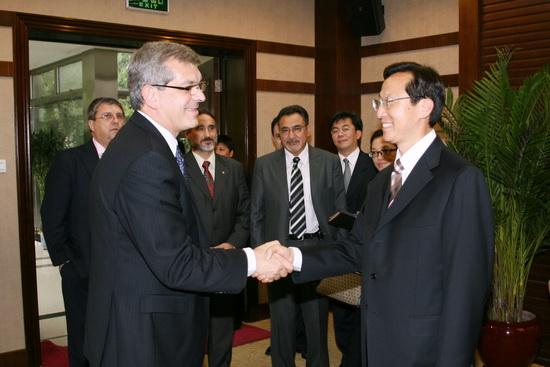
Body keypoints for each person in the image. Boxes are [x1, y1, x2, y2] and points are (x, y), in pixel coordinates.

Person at [267, 62, 494, 366]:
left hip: (424, 350)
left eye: (389, 101)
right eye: (379, 102)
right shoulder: (380, 184)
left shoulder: (459, 179)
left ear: (424, 106)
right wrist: (292, 257)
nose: (380, 112)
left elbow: (465, 292)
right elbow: (355, 249)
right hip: (375, 341)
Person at [83, 41, 290, 367]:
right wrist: (251, 260)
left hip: (145, 324)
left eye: (200, 85)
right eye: (189, 87)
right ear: (151, 94)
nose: (201, 96)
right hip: (143, 337)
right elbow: (175, 263)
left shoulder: (149, 144)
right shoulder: (146, 157)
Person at [250, 104, 346, 367]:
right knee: (281, 325)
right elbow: (256, 214)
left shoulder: (328, 162)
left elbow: (339, 211)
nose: (291, 135)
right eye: (285, 130)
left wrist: (337, 252)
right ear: (278, 134)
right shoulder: (264, 165)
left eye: (297, 128)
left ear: (308, 130)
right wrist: (260, 256)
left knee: (316, 325)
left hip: (316, 250)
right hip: (279, 251)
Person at [40, 97, 125, 367]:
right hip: (82, 269)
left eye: (120, 116)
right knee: (83, 340)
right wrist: (65, 261)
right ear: (91, 124)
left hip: (124, 269)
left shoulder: (131, 161)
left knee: (120, 338)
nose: (115, 121)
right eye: (107, 116)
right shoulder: (71, 161)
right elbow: (52, 215)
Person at [184, 110, 250, 367]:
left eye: (212, 127)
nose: (208, 133)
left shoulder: (233, 169)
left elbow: (245, 212)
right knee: (190, 333)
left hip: (225, 260)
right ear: (190, 133)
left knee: (222, 333)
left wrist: (232, 243)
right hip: (192, 260)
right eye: (201, 128)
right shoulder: (178, 167)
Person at [328, 111, 377, 367]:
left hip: (364, 247)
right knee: (340, 309)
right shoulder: (325, 164)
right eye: (335, 130)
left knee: (363, 310)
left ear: (358, 133)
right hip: (336, 245)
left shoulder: (374, 164)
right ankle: (348, 353)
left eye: (345, 128)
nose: (340, 134)